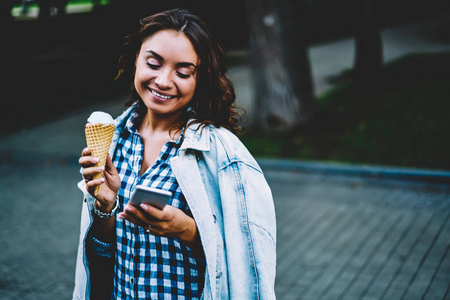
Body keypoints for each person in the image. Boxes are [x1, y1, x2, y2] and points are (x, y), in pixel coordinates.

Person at [73, 8, 276, 300]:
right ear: (136, 60)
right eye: (153, 63)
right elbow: (98, 261)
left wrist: (189, 231)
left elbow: (249, 266)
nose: (164, 81)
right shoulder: (112, 142)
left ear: (200, 79)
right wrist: (105, 207)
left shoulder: (224, 155)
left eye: (183, 72)